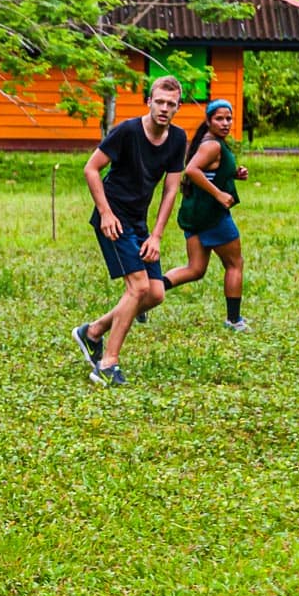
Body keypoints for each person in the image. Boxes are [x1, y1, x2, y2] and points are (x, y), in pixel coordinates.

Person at [72, 75, 187, 386]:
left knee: (156, 293)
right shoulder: (127, 131)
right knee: (137, 288)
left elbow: (170, 190)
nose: (164, 108)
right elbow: (91, 169)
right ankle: (106, 364)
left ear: (177, 107)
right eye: (159, 102)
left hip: (139, 221)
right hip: (114, 218)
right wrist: (105, 213)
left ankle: (92, 331)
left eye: (171, 104)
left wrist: (157, 235)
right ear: (148, 102)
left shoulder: (178, 140)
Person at [161, 98, 250, 331]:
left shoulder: (211, 142)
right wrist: (220, 194)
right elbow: (191, 170)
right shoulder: (212, 145)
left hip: (195, 214)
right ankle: (234, 320)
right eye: (219, 118)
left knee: (195, 269)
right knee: (234, 264)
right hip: (213, 216)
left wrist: (234, 174)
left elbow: (209, 171)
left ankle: (145, 295)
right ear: (209, 120)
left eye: (228, 118)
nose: (225, 123)